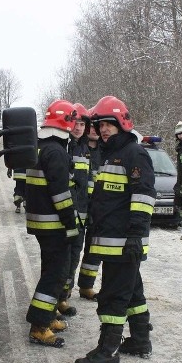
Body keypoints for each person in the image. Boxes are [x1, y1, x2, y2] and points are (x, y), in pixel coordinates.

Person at [75, 96, 156, 363]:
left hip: (124, 242)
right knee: (132, 292)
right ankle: (140, 341)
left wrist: (136, 235)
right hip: (113, 241)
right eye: (100, 124)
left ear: (122, 123)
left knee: (112, 296)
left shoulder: (135, 154)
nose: (104, 129)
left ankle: (108, 350)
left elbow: (143, 197)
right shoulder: (112, 154)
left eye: (109, 123)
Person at [25, 100, 80, 347]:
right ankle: (39, 326)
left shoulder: (40, 147)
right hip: (54, 224)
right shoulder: (56, 151)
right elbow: (61, 195)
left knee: (51, 270)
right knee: (55, 275)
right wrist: (71, 224)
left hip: (41, 222)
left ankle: (48, 316)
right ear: (66, 123)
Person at [59, 102, 92, 316]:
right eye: (76, 123)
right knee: (63, 259)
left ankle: (65, 295)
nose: (79, 127)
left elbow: (86, 184)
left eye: (82, 123)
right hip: (66, 215)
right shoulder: (64, 145)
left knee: (74, 258)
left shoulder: (84, 147)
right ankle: (58, 298)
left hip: (80, 216)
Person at [76, 111, 102, 300]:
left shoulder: (107, 150)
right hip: (79, 206)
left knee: (94, 250)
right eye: (90, 126)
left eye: (96, 126)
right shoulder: (78, 147)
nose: (93, 129)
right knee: (74, 250)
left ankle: (86, 286)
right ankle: (65, 291)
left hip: (98, 208)